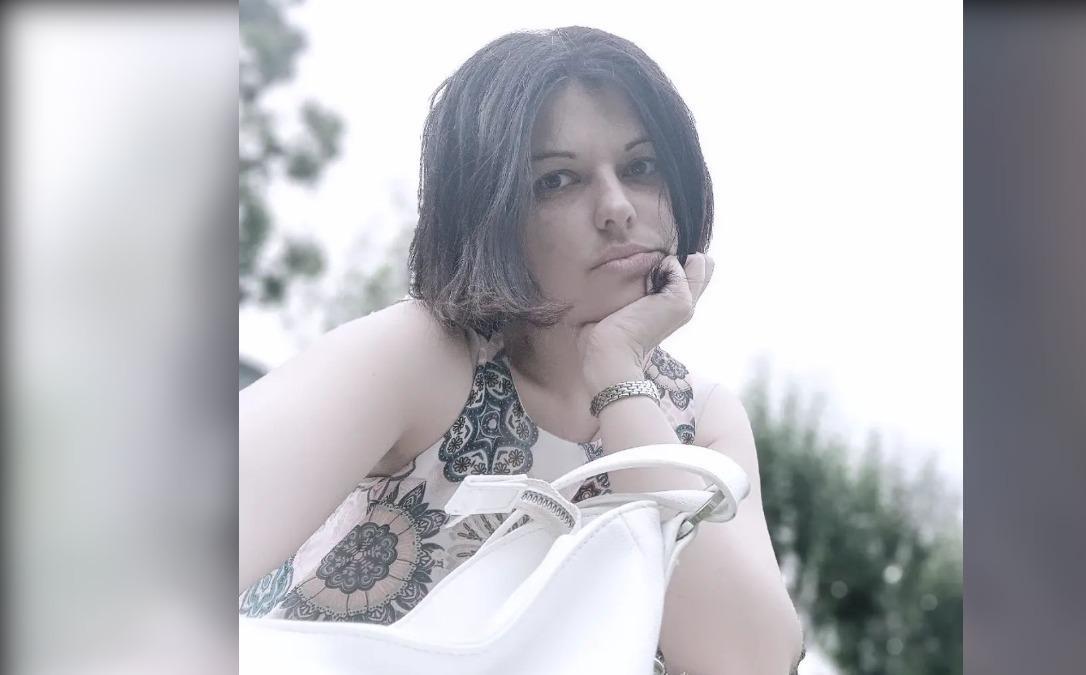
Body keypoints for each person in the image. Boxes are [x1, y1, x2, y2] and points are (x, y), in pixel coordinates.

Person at [239, 26, 803, 674]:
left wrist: (617, 371)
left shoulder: (699, 419)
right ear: (491, 211)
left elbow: (746, 663)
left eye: (640, 168)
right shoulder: (425, 354)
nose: (617, 208)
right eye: (558, 180)